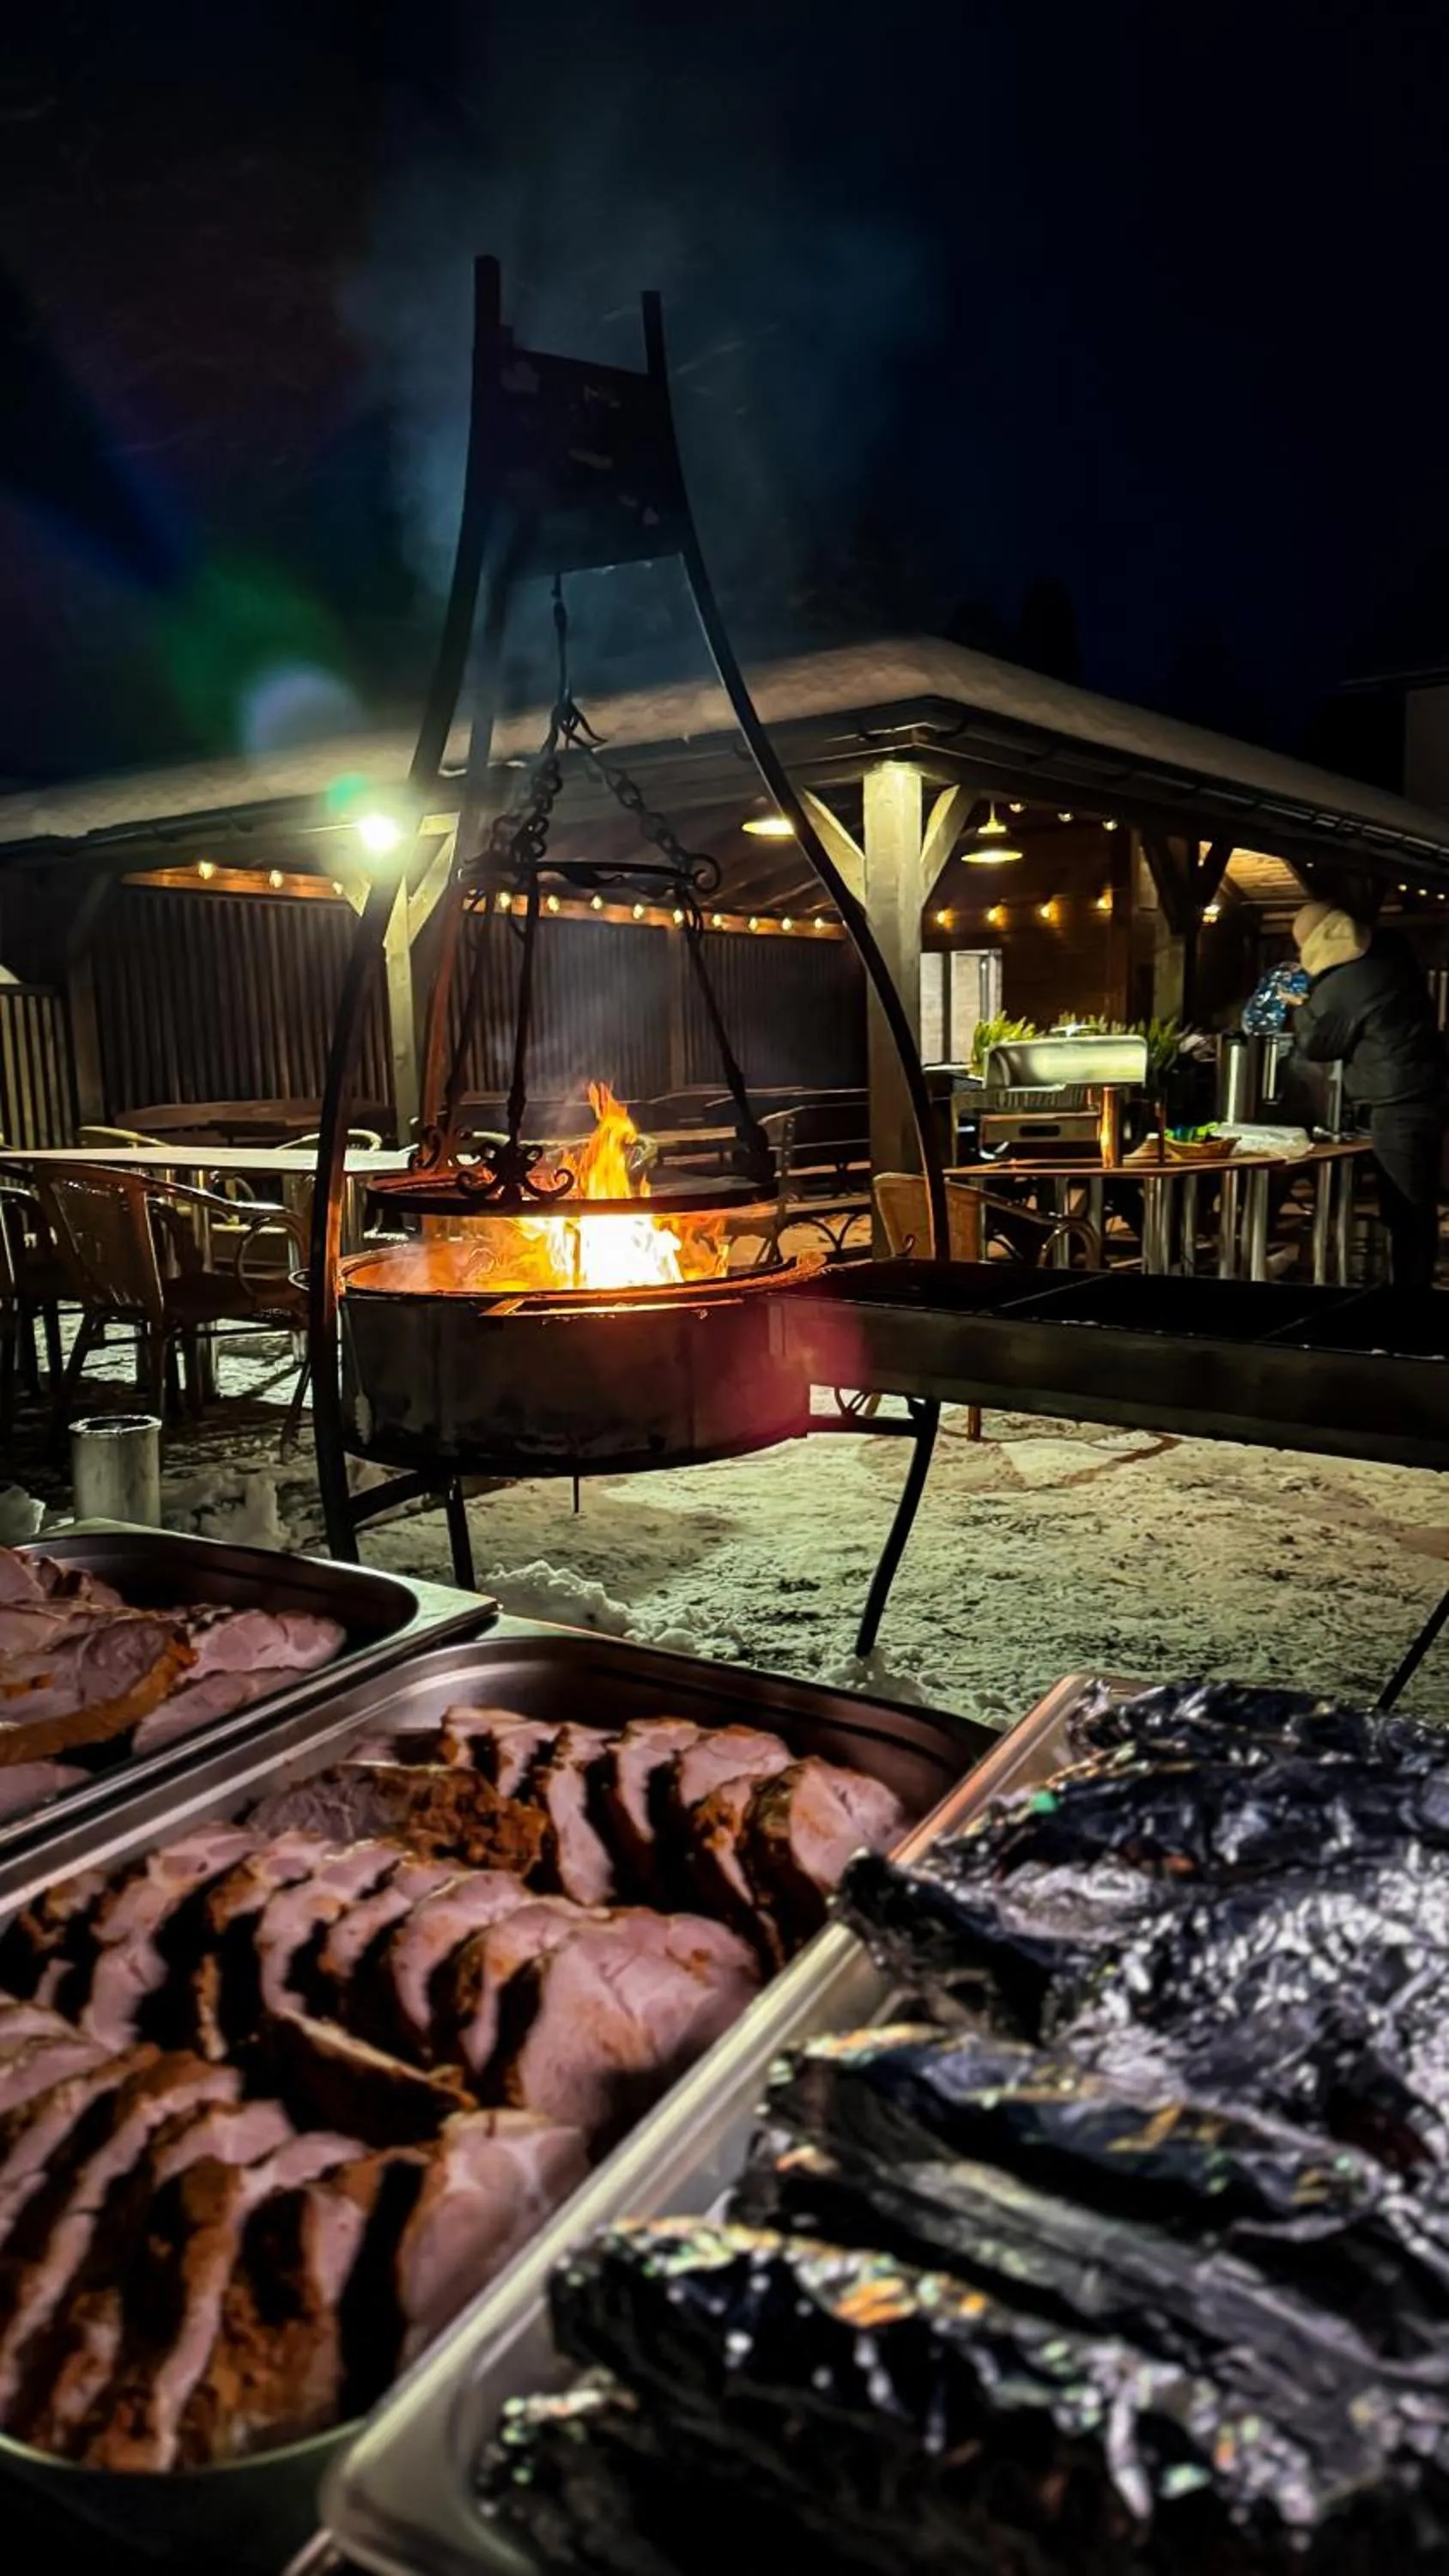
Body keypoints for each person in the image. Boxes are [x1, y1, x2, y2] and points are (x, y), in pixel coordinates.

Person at [1289, 902, 1446, 1291]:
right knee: (1416, 1201)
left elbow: (1317, 1045)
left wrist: (1300, 1005)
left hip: (1397, 1101)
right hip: (1425, 1090)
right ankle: (1412, 1289)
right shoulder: (1390, 955)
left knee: (1406, 1208)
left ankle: (1411, 1301)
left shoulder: (1346, 981)